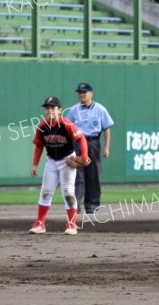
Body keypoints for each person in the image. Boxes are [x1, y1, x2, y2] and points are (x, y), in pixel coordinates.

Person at [29, 96, 89, 235]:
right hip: (51, 161)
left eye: (53, 108)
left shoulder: (66, 124)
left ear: (59, 110)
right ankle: (40, 224)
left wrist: (84, 155)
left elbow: (81, 138)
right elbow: (39, 146)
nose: (49, 110)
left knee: (68, 193)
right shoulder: (42, 126)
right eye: (47, 108)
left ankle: (72, 225)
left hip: (67, 160)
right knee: (45, 192)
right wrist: (34, 165)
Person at [66, 83, 114, 214]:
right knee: (77, 176)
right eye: (80, 92)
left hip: (93, 143)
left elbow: (107, 129)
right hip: (77, 143)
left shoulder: (100, 109)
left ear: (91, 94)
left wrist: (106, 147)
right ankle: (75, 206)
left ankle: (92, 205)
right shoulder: (74, 110)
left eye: (84, 92)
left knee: (93, 175)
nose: (82, 94)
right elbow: (67, 129)